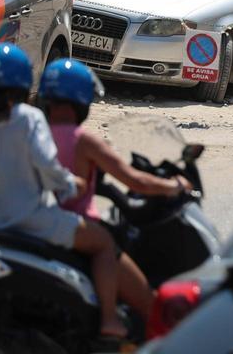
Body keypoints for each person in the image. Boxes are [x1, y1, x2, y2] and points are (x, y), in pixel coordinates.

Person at [0, 44, 128, 339]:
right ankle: (109, 320)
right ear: (23, 82)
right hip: (34, 222)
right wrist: (70, 186)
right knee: (104, 242)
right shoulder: (28, 118)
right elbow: (47, 165)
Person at [39, 58, 188, 320]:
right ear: (82, 100)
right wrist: (174, 186)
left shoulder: (34, 135)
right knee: (147, 303)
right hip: (77, 226)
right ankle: (110, 319)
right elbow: (135, 181)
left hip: (36, 223)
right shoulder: (84, 141)